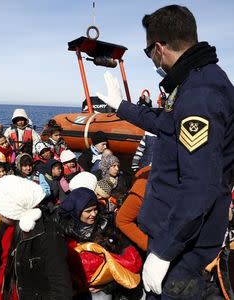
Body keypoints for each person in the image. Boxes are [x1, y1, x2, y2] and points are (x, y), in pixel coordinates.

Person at [95, 5, 234, 298]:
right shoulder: (191, 83)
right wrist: (122, 107)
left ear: (159, 47)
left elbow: (200, 187)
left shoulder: (200, 94)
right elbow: (165, 122)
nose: (151, 59)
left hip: (184, 249)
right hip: (174, 235)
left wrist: (164, 251)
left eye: (148, 53)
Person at [0, 175, 72, 299]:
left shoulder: (47, 235)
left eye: (0, 208)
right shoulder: (6, 226)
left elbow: (61, 289)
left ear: (14, 209)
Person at [51, 187, 143, 299]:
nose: (94, 214)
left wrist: (107, 286)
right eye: (88, 211)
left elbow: (129, 261)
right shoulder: (62, 230)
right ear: (76, 211)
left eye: (95, 209)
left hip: (104, 290)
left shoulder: (108, 226)